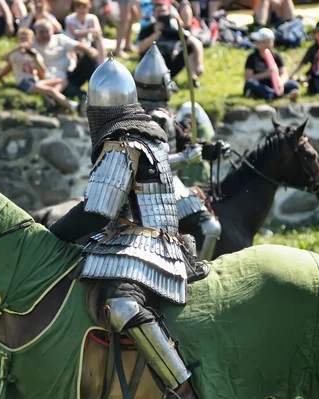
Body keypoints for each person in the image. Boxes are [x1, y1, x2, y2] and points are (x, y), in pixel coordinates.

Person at [48, 55, 204, 399]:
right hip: (129, 239)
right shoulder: (145, 132)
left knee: (122, 306)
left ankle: (181, 387)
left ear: (97, 110)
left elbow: (95, 212)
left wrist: (50, 235)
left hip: (146, 245)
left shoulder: (124, 141)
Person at [134, 42, 221, 260]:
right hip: (149, 188)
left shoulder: (164, 114)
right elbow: (147, 162)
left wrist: (212, 149)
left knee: (212, 226)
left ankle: (199, 268)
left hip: (174, 185)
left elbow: (183, 141)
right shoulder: (144, 119)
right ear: (162, 84)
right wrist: (184, 159)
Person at [0, 28, 80, 111]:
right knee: (50, 90)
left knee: (62, 81)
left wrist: (35, 58)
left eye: (26, 39)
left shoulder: (35, 54)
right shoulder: (16, 55)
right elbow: (4, 60)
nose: (24, 41)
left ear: (31, 41)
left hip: (35, 81)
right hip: (25, 82)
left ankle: (51, 98)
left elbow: (43, 71)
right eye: (21, 39)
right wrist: (17, 49)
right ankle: (73, 106)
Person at [137, 0, 204, 87]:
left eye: (164, 11)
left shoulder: (173, 29)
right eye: (159, 12)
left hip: (168, 69)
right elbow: (139, 49)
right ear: (153, 13)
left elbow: (196, 43)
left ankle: (192, 79)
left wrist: (199, 65)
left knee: (189, 47)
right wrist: (156, 35)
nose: (162, 14)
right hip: (150, 69)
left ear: (169, 12)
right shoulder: (148, 30)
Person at [32, 18, 99, 100]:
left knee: (89, 58)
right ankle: (82, 97)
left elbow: (79, 46)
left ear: (52, 31)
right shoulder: (32, 44)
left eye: (47, 31)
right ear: (36, 32)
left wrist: (90, 51)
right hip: (50, 80)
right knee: (75, 92)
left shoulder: (60, 39)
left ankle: (97, 89)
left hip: (69, 76)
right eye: (42, 32)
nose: (45, 35)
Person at [243, 27, 299, 100]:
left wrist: (280, 83)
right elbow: (248, 77)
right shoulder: (252, 57)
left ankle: (271, 94)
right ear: (258, 43)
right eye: (264, 42)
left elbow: (284, 74)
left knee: (294, 84)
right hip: (260, 83)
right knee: (251, 83)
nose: (267, 45)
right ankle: (277, 95)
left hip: (274, 83)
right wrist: (265, 74)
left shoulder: (276, 56)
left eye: (269, 42)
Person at [289, 20, 319, 95]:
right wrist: (292, 75)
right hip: (316, 76)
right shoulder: (313, 49)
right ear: (315, 34)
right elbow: (303, 63)